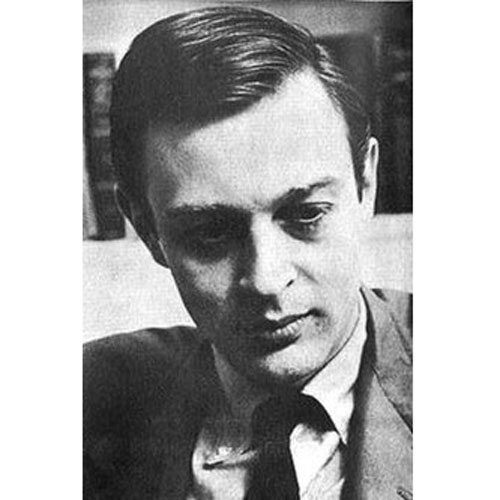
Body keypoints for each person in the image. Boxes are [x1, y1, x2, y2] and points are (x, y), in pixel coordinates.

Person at [83, 6, 412, 500]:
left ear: (366, 185)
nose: (265, 279)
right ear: (148, 230)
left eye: (306, 215)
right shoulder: (83, 400)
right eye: (211, 233)